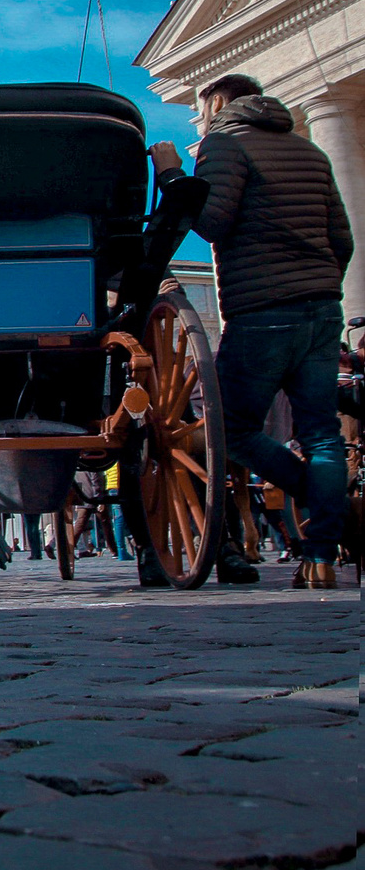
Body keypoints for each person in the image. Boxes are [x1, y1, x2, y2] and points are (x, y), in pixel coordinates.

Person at [151, 72, 352, 589]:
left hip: (262, 306)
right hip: (323, 306)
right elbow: (342, 238)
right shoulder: (309, 151)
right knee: (322, 433)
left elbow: (214, 221)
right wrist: (320, 282)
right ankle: (322, 554)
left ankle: (317, 500)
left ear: (217, 102)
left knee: (231, 431)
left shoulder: (225, 142)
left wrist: (173, 175)